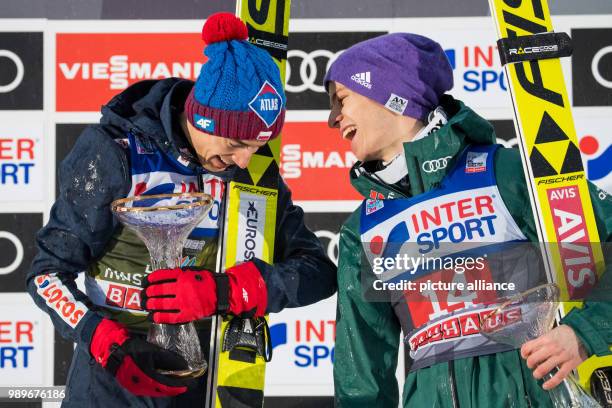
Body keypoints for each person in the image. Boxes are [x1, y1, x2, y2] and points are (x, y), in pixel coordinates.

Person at [27, 13, 336, 407]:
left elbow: (317, 272)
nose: (243, 160)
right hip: (109, 384)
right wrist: (103, 339)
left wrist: (226, 291)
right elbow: (48, 275)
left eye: (257, 147)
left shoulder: (251, 174)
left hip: (205, 383)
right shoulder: (116, 151)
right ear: (202, 117)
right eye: (235, 142)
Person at [324, 32, 612, 407]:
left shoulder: (506, 174)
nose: (333, 119)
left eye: (341, 100)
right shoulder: (361, 230)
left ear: (393, 97)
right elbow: (361, 380)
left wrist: (583, 333)